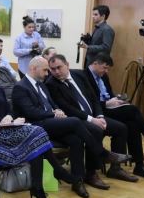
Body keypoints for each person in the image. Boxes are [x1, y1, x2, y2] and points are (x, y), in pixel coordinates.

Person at [11, 56, 129, 198]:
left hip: (50, 123)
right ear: (33, 68)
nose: (48, 74)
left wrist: (57, 110)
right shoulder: (20, 87)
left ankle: (77, 181)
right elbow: (30, 112)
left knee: (75, 140)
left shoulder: (41, 84)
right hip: (36, 126)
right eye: (45, 70)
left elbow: (52, 103)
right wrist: (53, 113)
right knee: (75, 121)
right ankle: (102, 153)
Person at [0, 61, 74, 198]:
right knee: (37, 134)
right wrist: (3, 120)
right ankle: (55, 171)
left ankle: (38, 187)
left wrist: (10, 117)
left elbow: (8, 110)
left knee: (37, 136)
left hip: (7, 127)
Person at [46, 54, 136, 182]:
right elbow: (67, 109)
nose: (56, 72)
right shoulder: (51, 84)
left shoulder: (79, 74)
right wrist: (92, 119)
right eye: (52, 69)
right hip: (77, 120)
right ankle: (91, 172)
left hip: (94, 116)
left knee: (121, 128)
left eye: (59, 67)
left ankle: (116, 169)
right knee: (96, 130)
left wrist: (100, 115)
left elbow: (94, 97)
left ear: (67, 65)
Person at [84, 53, 144, 180]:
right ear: (95, 63)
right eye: (104, 68)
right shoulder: (84, 76)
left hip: (109, 108)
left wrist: (116, 100)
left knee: (133, 124)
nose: (106, 71)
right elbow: (88, 101)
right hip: (97, 113)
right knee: (133, 110)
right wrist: (106, 103)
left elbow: (109, 94)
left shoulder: (103, 76)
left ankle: (139, 166)